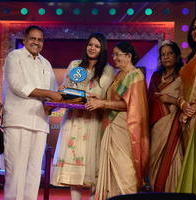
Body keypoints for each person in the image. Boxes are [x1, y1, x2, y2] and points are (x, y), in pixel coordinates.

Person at [50, 32, 114, 200]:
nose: (92, 48)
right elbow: (65, 89)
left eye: (97, 46)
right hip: (74, 121)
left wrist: (96, 99)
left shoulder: (108, 71)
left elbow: (106, 97)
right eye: (90, 45)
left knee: (93, 168)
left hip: (94, 121)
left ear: (103, 49)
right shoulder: (75, 65)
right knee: (74, 172)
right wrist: (77, 95)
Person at [3, 25, 62, 200]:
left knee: (35, 171)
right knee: (16, 169)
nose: (36, 42)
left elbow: (52, 92)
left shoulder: (46, 63)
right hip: (18, 120)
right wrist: (49, 94)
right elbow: (18, 85)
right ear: (25, 39)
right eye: (33, 38)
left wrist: (55, 102)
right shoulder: (15, 57)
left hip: (40, 122)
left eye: (40, 39)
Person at [85, 41, 149, 200]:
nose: (114, 58)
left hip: (125, 127)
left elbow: (130, 105)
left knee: (124, 168)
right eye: (113, 54)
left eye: (117, 54)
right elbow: (114, 99)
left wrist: (103, 103)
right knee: (111, 170)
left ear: (128, 56)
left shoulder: (135, 75)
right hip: (111, 125)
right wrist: (99, 99)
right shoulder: (118, 74)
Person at [148, 40, 184, 192]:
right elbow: (149, 100)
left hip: (175, 123)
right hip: (157, 125)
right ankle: (157, 191)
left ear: (176, 56)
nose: (166, 57)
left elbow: (188, 98)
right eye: (163, 55)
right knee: (154, 158)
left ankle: (173, 191)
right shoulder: (156, 76)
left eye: (170, 54)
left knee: (174, 157)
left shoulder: (183, 75)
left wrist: (171, 100)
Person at [176, 16, 196, 196]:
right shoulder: (192, 57)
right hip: (186, 118)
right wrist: (183, 105)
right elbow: (181, 90)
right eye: (194, 27)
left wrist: (194, 107)